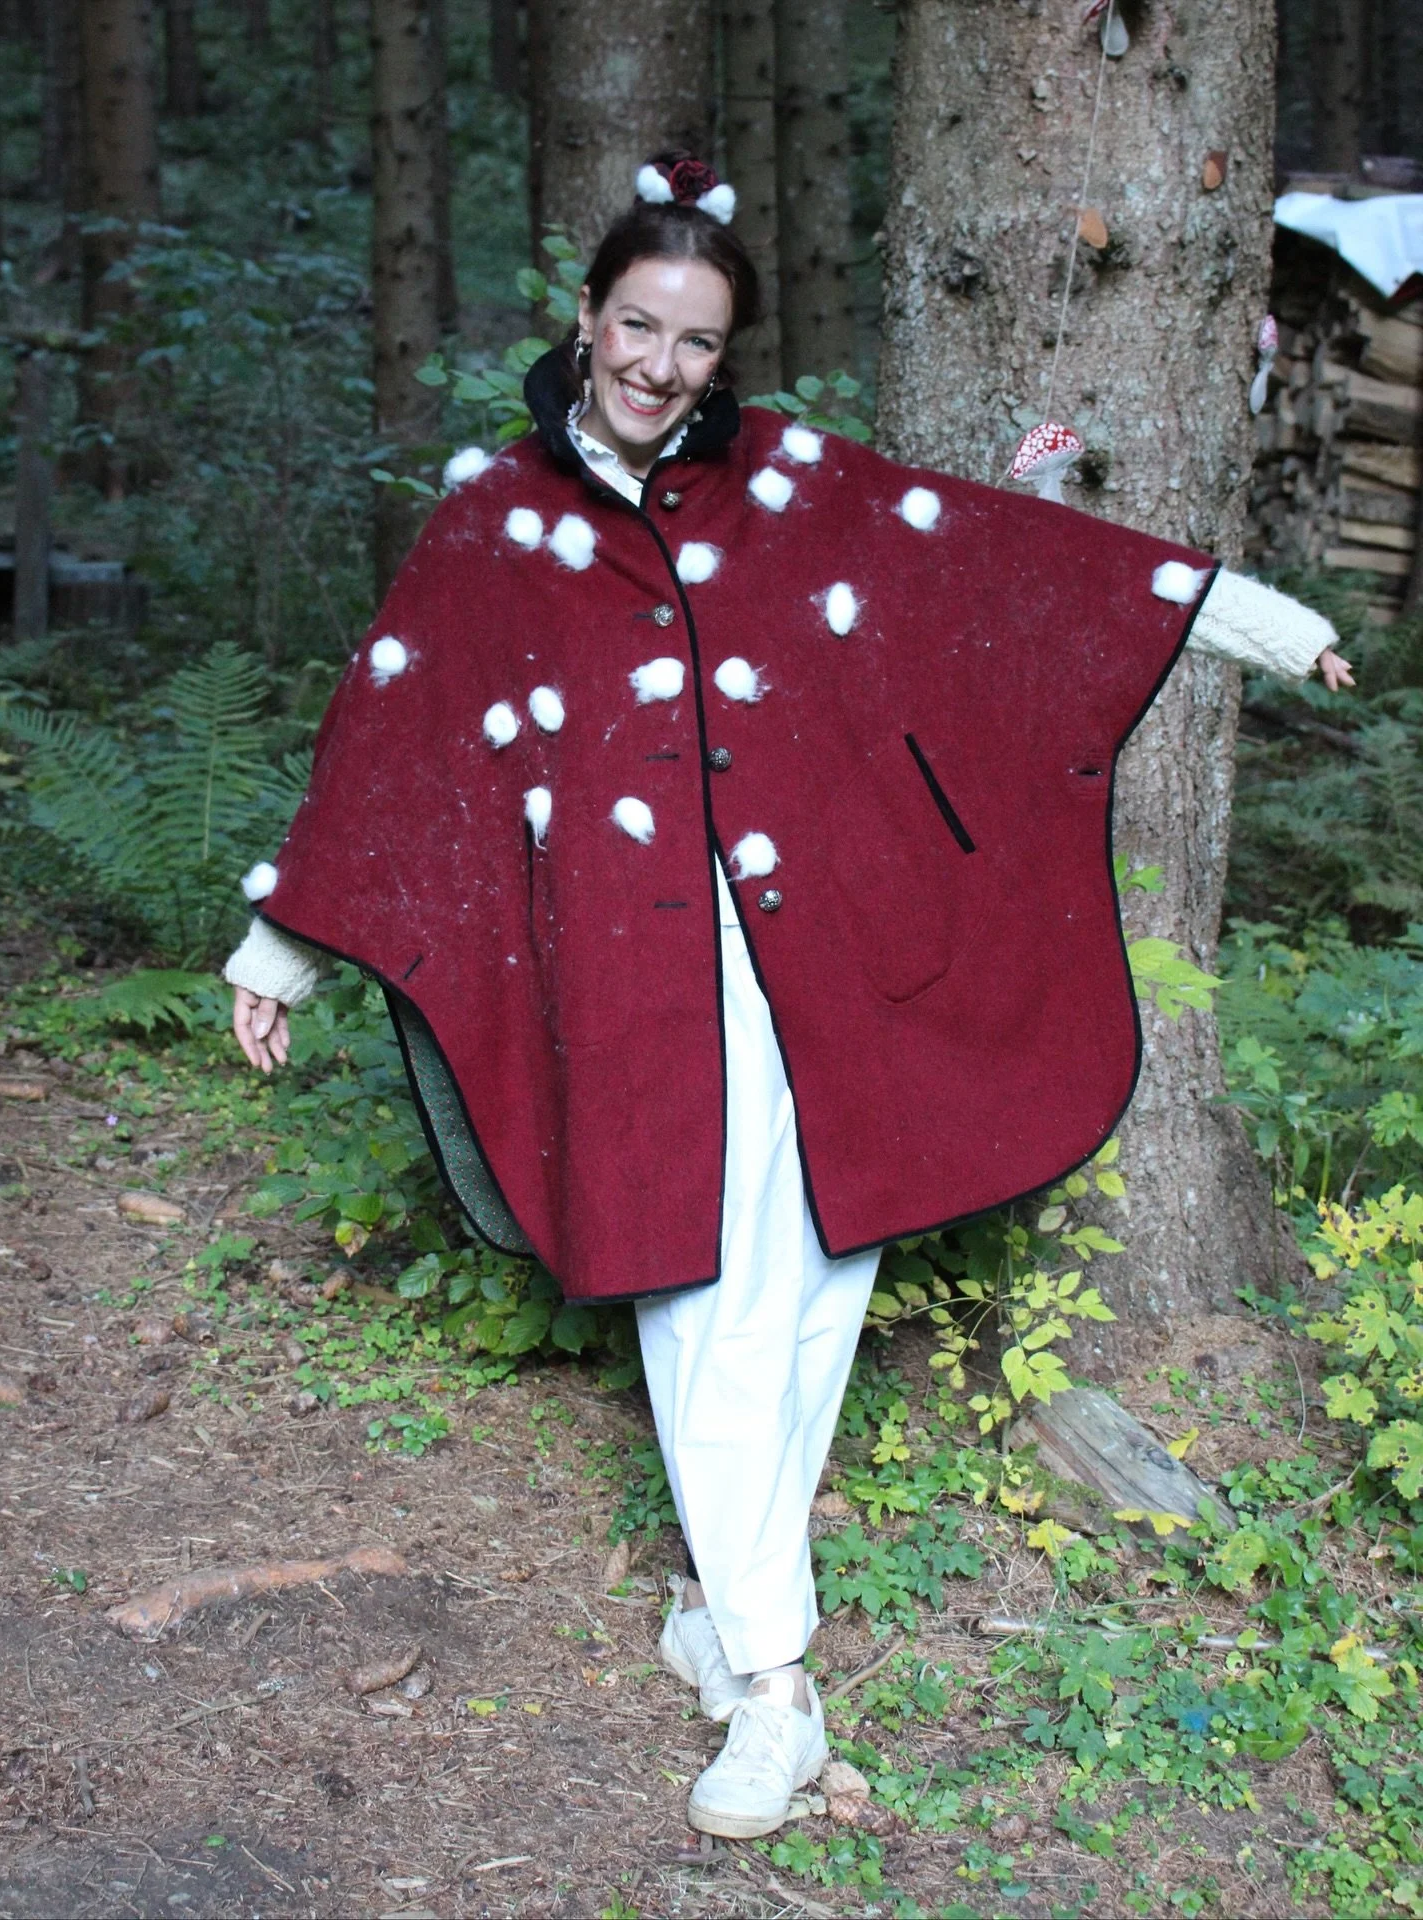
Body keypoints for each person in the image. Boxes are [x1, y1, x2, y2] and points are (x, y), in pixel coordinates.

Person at [224, 154, 1354, 1839]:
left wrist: (1248, 619)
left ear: (725, 347)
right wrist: (284, 946)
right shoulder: (491, 526)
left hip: (823, 970)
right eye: (636, 325)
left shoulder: (791, 484)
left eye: (696, 338)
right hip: (622, 991)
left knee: (818, 1275)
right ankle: (774, 1684)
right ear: (587, 317)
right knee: (696, 1295)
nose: (662, 363)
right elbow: (398, 734)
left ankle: (719, 1612)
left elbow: (997, 562)